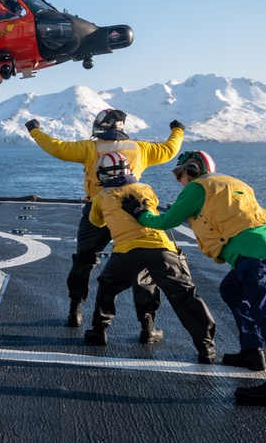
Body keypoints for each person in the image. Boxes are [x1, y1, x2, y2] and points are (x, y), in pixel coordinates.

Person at [122, 150, 266, 406]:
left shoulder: (197, 187)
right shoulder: (234, 182)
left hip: (252, 253)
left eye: (178, 173)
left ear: (192, 170)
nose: (177, 179)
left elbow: (166, 221)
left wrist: (141, 214)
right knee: (232, 289)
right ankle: (252, 352)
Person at [25, 109, 184, 328]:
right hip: (133, 211)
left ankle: (75, 310)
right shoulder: (141, 149)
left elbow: (57, 147)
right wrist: (178, 130)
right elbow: (170, 149)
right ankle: (147, 325)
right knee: (143, 263)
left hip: (97, 207)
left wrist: (35, 131)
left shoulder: (90, 147)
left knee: (84, 259)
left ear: (99, 127)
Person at [84, 152, 217, 363]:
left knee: (108, 286)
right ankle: (204, 347)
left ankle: (99, 331)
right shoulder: (145, 189)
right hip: (162, 249)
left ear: (103, 174)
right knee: (184, 296)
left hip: (126, 251)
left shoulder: (101, 197)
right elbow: (152, 205)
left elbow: (96, 222)